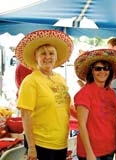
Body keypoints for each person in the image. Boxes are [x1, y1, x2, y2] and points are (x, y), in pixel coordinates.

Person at [15, 29, 73, 160]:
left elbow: (65, 107)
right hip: (41, 144)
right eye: (43, 54)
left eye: (51, 53)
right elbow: (26, 116)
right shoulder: (30, 81)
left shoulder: (60, 78)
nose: (48, 57)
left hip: (61, 142)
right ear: (36, 57)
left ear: (56, 56)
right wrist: (31, 147)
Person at [73, 48, 116, 160]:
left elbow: (113, 122)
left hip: (109, 149)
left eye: (106, 68)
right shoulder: (84, 93)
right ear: (91, 71)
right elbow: (81, 125)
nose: (102, 72)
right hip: (92, 152)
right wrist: (89, 153)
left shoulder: (111, 93)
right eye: (98, 68)